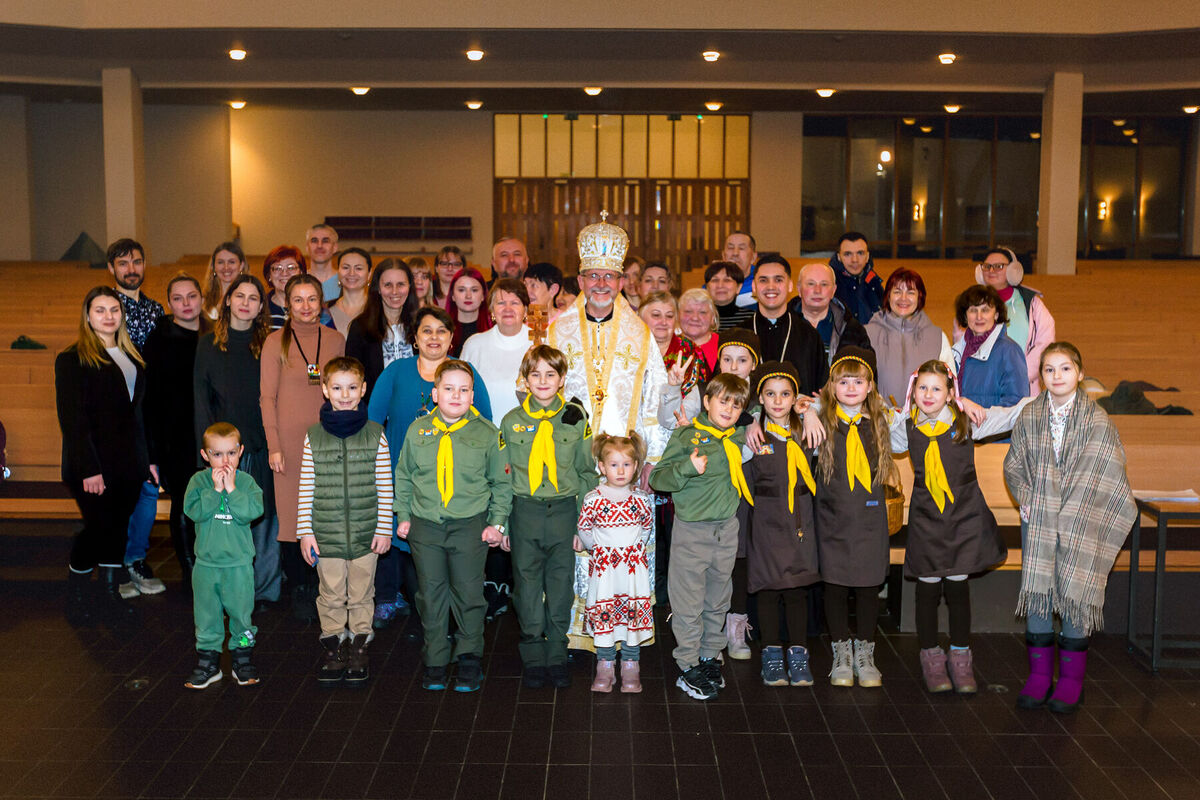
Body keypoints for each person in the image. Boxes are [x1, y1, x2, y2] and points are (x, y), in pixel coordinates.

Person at [1004, 343, 1136, 714]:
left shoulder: (1098, 420)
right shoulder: (1030, 416)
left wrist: (1077, 502)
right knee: (1039, 594)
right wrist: (1027, 495)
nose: (1057, 376)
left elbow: (1110, 468)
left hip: (1083, 518)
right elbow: (1014, 465)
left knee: (1076, 594)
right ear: (1041, 376)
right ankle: (1039, 677)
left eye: (1065, 369)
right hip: (1040, 521)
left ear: (1080, 373)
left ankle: (1072, 681)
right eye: (1049, 369)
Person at [887, 360, 1030, 694]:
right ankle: (930, 656)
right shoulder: (906, 427)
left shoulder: (968, 421)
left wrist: (1046, 393)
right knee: (926, 587)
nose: (928, 394)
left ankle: (961, 655)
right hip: (927, 518)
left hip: (963, 517)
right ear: (913, 390)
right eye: (922, 387)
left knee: (957, 585)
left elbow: (1010, 414)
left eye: (937, 388)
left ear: (951, 393)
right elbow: (877, 424)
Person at [367, 306, 492, 629]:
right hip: (408, 478)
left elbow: (486, 426)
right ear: (414, 338)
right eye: (426, 330)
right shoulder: (396, 372)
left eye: (441, 331)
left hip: (458, 486)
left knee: (453, 554)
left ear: (452, 338)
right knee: (411, 548)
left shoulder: (467, 374)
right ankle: (425, 620)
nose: (434, 337)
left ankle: (451, 620)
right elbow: (372, 424)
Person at [394, 360, 513, 693]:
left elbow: (502, 484)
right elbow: (403, 476)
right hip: (426, 526)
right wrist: (403, 515)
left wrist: (497, 523)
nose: (456, 396)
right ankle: (435, 659)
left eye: (464, 390)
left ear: (472, 395)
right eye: (448, 389)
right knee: (430, 595)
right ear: (435, 393)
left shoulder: (488, 433)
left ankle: (469, 658)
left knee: (469, 594)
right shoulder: (418, 431)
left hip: (470, 526)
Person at [55, 286, 154, 627]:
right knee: (97, 529)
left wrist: (148, 460)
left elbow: (140, 416)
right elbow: (72, 420)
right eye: (100, 310)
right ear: (88, 316)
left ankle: (110, 596)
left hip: (128, 464)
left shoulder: (133, 357)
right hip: (92, 465)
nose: (109, 316)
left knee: (117, 529)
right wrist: (89, 468)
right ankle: (77, 596)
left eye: (114, 309)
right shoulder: (72, 359)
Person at [650, 373, 752, 700]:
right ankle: (687, 663)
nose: (729, 410)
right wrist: (686, 469)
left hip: (726, 529)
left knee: (718, 597)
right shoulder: (687, 437)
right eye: (723, 401)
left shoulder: (738, 436)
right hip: (692, 531)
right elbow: (659, 479)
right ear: (707, 402)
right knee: (688, 600)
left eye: (737, 406)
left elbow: (766, 417)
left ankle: (709, 656)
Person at [501, 345, 597, 690]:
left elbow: (587, 472)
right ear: (525, 380)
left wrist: (583, 522)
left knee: (560, 587)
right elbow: (504, 476)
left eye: (550, 374)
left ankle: (556, 652)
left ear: (562, 380)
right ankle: (532, 653)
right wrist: (505, 521)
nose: (542, 381)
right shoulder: (511, 422)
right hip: (524, 510)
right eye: (535, 374)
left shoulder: (575, 417)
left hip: (564, 511)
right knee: (526, 587)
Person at [297, 357, 394, 685]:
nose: (345, 394)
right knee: (331, 594)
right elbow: (306, 485)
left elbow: (384, 484)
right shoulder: (313, 436)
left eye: (352, 387)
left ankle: (359, 649)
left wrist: (384, 528)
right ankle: (334, 647)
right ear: (325, 390)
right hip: (326, 534)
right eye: (337, 388)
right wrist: (305, 532)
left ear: (363, 389)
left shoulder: (375, 434)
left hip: (367, 533)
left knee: (363, 594)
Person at [547, 214, 669, 470]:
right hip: (568, 458)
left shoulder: (640, 335)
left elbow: (655, 398)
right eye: (593, 276)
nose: (601, 284)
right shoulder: (557, 333)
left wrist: (652, 461)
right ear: (580, 282)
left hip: (626, 462)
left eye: (609, 276)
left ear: (621, 282)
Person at [260, 274, 346, 621]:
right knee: (294, 517)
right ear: (287, 302)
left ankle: (326, 586)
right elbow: (267, 398)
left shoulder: (336, 339)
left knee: (325, 513)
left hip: (327, 441)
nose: (306, 306)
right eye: (298, 300)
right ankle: (300, 587)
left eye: (313, 299)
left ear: (321, 302)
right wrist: (274, 445)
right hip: (290, 446)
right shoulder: (274, 342)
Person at [811, 347, 898, 688]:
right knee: (834, 585)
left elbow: (925, 420)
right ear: (831, 386)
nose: (850, 388)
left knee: (867, 586)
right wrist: (808, 411)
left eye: (857, 381)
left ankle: (865, 651)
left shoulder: (883, 422)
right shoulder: (821, 422)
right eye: (842, 381)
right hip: (833, 518)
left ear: (870, 386)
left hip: (869, 520)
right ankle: (841, 652)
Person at [194, 274, 279, 611]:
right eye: (239, 295)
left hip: (262, 446)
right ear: (227, 300)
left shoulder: (271, 343)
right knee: (226, 525)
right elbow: (201, 399)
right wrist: (211, 454)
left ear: (261, 307)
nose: (245, 302)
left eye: (253, 298)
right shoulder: (207, 344)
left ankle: (264, 591)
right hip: (225, 452)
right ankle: (227, 592)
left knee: (264, 519)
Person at [744, 362, 820, 687]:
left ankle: (798, 654)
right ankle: (772, 654)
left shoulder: (805, 428)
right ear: (760, 397)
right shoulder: (753, 432)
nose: (778, 401)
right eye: (770, 394)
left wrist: (812, 411)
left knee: (796, 590)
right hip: (765, 519)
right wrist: (747, 421)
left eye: (785, 394)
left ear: (795, 397)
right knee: (768, 588)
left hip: (800, 519)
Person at [182, 422, 264, 689]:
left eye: (231, 453)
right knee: (206, 616)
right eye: (217, 454)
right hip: (206, 566)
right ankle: (208, 663)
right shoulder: (199, 481)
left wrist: (232, 489)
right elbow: (194, 512)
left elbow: (251, 513)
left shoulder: (247, 482)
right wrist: (215, 490)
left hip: (239, 566)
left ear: (240, 452)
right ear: (205, 455)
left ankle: (242, 658)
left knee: (241, 615)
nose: (225, 461)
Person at [107, 238, 166, 597]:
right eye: (123, 263)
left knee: (148, 488)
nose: (132, 269)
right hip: (114, 413)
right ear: (111, 268)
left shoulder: (156, 310)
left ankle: (136, 559)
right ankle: (114, 565)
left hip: (148, 411)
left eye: (137, 262)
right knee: (118, 493)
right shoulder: (104, 307)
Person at [577, 433, 655, 693]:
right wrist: (599, 550)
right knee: (605, 615)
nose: (620, 471)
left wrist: (633, 551)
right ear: (601, 466)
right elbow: (585, 530)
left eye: (627, 464)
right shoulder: (593, 499)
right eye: (613, 465)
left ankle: (631, 664)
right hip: (606, 570)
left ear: (635, 467)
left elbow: (646, 529)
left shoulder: (641, 499)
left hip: (632, 570)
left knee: (631, 614)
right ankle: (605, 663)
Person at [144, 272, 202, 587]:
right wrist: (153, 451)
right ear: (169, 304)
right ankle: (189, 567)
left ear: (202, 298)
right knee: (183, 501)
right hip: (174, 437)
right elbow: (150, 398)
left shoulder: (213, 334)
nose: (185, 304)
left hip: (209, 432)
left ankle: (212, 566)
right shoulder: (159, 338)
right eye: (177, 299)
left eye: (191, 296)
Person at [865, 267, 952, 407]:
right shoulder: (867, 334)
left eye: (910, 292)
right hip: (878, 422)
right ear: (888, 296)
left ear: (920, 297)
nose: (903, 298)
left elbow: (950, 386)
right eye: (897, 292)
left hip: (924, 424)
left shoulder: (937, 337)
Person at [974, 248, 1056, 395]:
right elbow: (962, 340)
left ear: (1013, 270)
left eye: (999, 266)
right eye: (986, 266)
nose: (991, 270)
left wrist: (1018, 375)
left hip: (1024, 386)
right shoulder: (970, 302)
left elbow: (1045, 342)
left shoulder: (1031, 303)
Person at [750, 254, 827, 396]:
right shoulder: (741, 333)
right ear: (754, 287)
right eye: (763, 280)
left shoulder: (809, 335)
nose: (771, 286)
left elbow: (820, 391)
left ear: (790, 285)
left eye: (778, 280)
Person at [345, 258, 418, 403]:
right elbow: (353, 377)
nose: (395, 291)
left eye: (401, 284)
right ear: (377, 287)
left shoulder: (421, 325)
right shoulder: (360, 328)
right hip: (375, 413)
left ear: (409, 286)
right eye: (388, 285)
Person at [460, 278, 532, 424]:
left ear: (525, 310)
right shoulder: (474, 345)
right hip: (483, 434)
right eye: (501, 303)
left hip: (530, 436)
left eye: (515, 303)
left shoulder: (541, 343)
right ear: (492, 310)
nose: (508, 309)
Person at [951, 285, 1029, 409]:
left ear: (996, 314)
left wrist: (983, 422)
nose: (979, 317)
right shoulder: (955, 351)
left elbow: (1016, 402)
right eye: (973, 310)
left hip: (991, 428)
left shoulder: (1009, 351)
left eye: (985, 310)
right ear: (965, 316)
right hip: (961, 427)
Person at [791, 261, 871, 365]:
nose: (817, 290)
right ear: (799, 289)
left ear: (833, 290)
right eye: (811, 284)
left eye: (824, 284)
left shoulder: (854, 331)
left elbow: (869, 375)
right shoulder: (783, 326)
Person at [639, 290, 709, 400]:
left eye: (669, 316)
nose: (663, 322)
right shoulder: (629, 349)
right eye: (656, 315)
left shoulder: (691, 351)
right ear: (640, 318)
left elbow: (701, 397)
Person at [830, 232, 885, 326]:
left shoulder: (874, 282)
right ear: (839, 257)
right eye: (848, 254)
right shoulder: (829, 285)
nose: (854, 260)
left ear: (867, 256)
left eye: (860, 253)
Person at [447, 267, 491, 356]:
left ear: (483, 295)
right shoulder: (443, 329)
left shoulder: (494, 329)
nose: (468, 296)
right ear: (453, 296)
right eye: (461, 290)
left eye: (474, 290)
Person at [200, 241, 248, 322]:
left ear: (241, 266)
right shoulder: (203, 299)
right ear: (213, 266)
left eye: (231, 262)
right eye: (220, 262)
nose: (226, 267)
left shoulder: (249, 299)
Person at [327, 247, 371, 332]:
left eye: (358, 268)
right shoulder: (326, 312)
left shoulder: (379, 309)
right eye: (346, 267)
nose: (351, 273)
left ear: (369, 274)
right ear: (338, 272)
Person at [677, 288, 720, 375]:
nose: (695, 318)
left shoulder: (724, 346)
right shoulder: (667, 346)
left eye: (702, 312)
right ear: (678, 316)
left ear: (713, 318)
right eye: (688, 312)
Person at [262, 245, 305, 330]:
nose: (284, 273)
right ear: (269, 275)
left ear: (301, 273)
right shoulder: (260, 308)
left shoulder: (312, 306)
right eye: (278, 268)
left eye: (291, 267)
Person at [706, 261, 755, 331]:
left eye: (727, 280)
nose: (720, 285)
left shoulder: (752, 318)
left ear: (738, 287)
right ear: (707, 287)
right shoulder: (697, 318)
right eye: (715, 280)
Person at [722, 231, 758, 308]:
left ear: (753, 257)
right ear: (723, 256)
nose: (735, 253)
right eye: (730, 248)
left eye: (741, 248)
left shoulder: (762, 282)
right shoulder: (713, 284)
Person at [305, 223, 340, 302]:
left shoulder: (346, 280)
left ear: (335, 247)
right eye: (314, 241)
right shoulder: (298, 281)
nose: (319, 246)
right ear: (307, 247)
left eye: (325, 241)